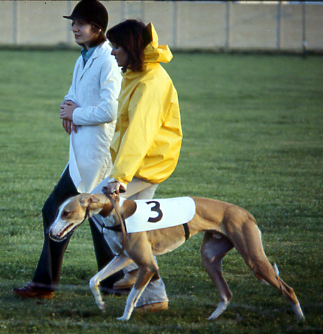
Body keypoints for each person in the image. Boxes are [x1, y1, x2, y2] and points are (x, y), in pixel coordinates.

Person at [12, 0, 122, 299]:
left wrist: (76, 114)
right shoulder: (83, 58)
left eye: (80, 24)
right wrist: (66, 109)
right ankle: (116, 281)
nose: (74, 28)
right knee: (99, 219)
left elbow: (109, 111)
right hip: (80, 151)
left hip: (96, 153)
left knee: (54, 209)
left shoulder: (108, 60)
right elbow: (73, 94)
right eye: (73, 23)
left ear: (97, 29)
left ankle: (45, 284)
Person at [89, 19, 183, 311]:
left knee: (98, 206)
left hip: (145, 166)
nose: (113, 52)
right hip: (137, 164)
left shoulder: (151, 82)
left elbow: (139, 135)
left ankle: (135, 272)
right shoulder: (139, 73)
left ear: (131, 48)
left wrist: (119, 176)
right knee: (130, 225)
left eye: (117, 47)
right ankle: (150, 292)